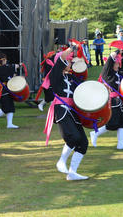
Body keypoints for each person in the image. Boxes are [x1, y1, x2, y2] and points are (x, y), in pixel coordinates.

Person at [45, 45, 89, 181]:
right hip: (61, 110)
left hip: (72, 111)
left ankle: (72, 173)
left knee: (83, 142)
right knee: (74, 137)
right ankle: (61, 161)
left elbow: (82, 90)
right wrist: (71, 49)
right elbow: (60, 60)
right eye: (69, 61)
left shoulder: (71, 78)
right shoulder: (56, 75)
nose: (71, 63)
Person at [91, 51, 123, 150]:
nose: (119, 65)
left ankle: (120, 144)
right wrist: (114, 54)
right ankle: (95, 133)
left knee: (122, 122)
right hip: (111, 102)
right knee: (111, 124)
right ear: (112, 64)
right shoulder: (107, 74)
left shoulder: (117, 74)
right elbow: (107, 65)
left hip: (118, 101)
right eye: (117, 63)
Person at [0, 53, 20, 128]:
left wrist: (14, 69)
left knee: (10, 107)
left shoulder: (3, 68)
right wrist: (14, 67)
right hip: (2, 91)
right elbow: (9, 69)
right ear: (2, 60)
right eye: (5, 60)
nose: (6, 61)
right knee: (6, 107)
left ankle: (9, 124)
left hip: (7, 89)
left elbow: (11, 75)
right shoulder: (0, 69)